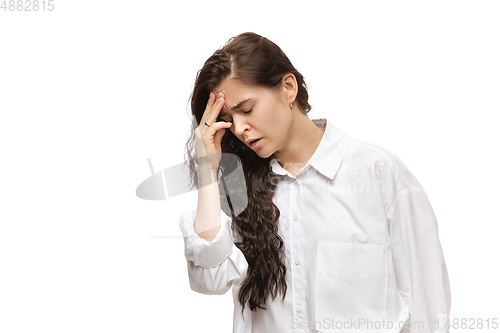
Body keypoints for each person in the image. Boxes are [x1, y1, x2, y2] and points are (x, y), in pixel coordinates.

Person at [179, 32, 451, 333]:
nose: (240, 128)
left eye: (247, 109)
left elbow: (428, 309)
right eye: (229, 119)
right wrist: (208, 168)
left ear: (288, 88)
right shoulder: (240, 190)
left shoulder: (379, 174)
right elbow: (207, 278)